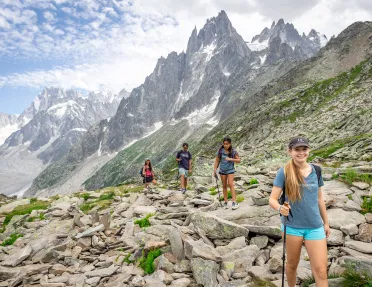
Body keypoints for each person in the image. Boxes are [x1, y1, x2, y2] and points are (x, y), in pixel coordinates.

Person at [269, 137, 330, 287]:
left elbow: (319, 199)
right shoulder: (283, 172)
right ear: (290, 151)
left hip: (315, 226)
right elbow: (272, 199)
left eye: (304, 149)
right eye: (297, 149)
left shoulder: (316, 170)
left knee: (321, 271)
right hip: (292, 227)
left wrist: (326, 223)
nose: (301, 153)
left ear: (308, 150)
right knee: (292, 265)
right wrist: (279, 208)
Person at [213, 137, 241, 210]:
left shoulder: (233, 151)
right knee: (224, 185)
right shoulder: (220, 151)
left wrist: (231, 159)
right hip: (222, 170)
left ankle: (234, 202)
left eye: (227, 144)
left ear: (230, 144)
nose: (225, 145)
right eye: (224, 144)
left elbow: (239, 160)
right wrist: (215, 170)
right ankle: (226, 201)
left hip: (230, 170)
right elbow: (217, 161)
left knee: (231, 184)